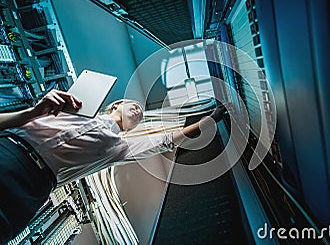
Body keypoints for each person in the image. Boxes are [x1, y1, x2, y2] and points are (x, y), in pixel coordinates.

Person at [0, 89, 227, 243]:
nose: (138, 110)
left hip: (32, 188)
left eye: (139, 114)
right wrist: (32, 113)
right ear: (117, 104)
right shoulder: (74, 106)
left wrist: (207, 121)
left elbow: (166, 141)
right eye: (134, 105)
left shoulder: (120, 148)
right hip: (9, 150)